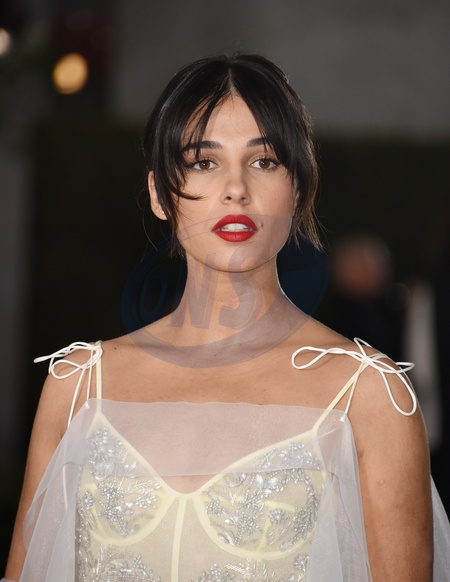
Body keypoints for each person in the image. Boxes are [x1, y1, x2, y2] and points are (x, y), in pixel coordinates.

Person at [4, 54, 450, 581]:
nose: (236, 188)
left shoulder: (368, 395)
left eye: (264, 161)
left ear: (299, 188)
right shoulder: (79, 385)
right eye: (203, 161)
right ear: (159, 193)